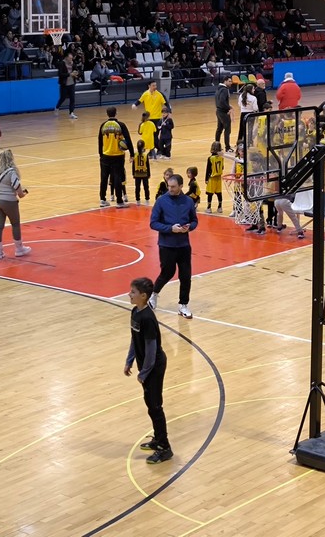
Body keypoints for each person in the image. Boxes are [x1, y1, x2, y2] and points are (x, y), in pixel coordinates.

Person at [123, 276, 172, 464]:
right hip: (146, 366)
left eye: (133, 292)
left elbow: (151, 349)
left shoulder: (148, 318)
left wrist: (144, 373)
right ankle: (158, 439)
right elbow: (134, 340)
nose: (129, 294)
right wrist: (129, 361)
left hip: (154, 367)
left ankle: (164, 447)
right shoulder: (135, 312)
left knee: (155, 407)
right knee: (150, 405)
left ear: (143, 296)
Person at [150, 172, 198, 319]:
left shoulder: (189, 201)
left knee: (185, 276)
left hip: (183, 245)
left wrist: (189, 227)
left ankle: (183, 305)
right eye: (169, 186)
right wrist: (170, 229)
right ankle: (154, 294)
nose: (170, 189)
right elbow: (153, 223)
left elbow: (195, 220)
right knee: (167, 273)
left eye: (173, 186)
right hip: (167, 245)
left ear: (181, 186)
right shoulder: (161, 201)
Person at [0, 149, 31, 260]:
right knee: (15, 224)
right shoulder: (11, 172)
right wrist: (23, 193)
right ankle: (19, 249)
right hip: (8, 201)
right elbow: (17, 187)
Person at [98, 106, 134, 208]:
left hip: (105, 155)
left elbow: (100, 141)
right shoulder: (121, 125)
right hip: (118, 156)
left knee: (104, 178)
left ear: (107, 114)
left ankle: (102, 199)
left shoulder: (103, 125)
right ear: (116, 113)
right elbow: (128, 139)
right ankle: (119, 201)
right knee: (117, 177)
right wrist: (131, 153)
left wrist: (101, 154)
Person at [205, 142, 224, 213]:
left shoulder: (210, 158)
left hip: (212, 178)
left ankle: (209, 208)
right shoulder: (221, 158)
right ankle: (220, 207)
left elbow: (208, 170)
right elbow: (222, 167)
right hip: (218, 178)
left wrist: (206, 179)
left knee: (210, 194)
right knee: (219, 193)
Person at [213, 77, 233, 145]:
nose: (231, 83)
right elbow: (222, 100)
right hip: (223, 112)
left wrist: (228, 105)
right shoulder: (224, 90)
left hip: (218, 110)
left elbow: (219, 100)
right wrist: (228, 108)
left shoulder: (218, 88)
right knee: (227, 130)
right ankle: (227, 147)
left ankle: (216, 145)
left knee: (219, 129)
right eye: (229, 81)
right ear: (225, 81)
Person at [133, 141, 151, 205]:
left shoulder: (135, 155)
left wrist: (133, 173)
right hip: (144, 173)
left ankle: (138, 200)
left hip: (137, 173)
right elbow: (147, 165)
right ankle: (147, 199)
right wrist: (149, 174)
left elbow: (133, 165)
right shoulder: (145, 155)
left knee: (137, 187)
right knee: (146, 187)